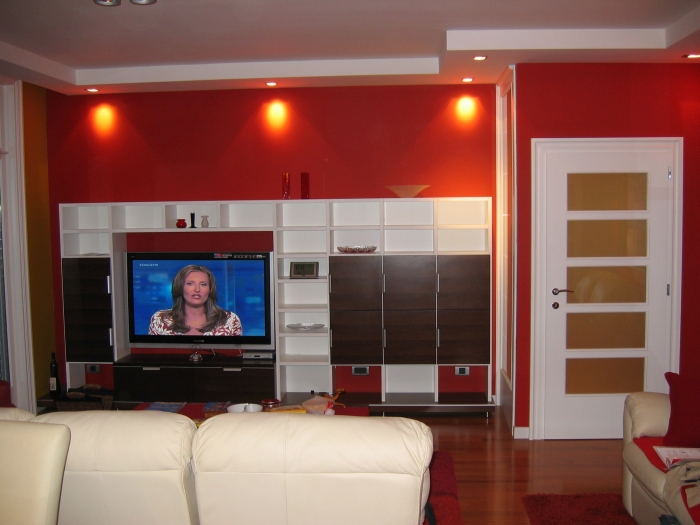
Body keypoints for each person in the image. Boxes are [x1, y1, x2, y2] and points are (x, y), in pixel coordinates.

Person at [148, 264, 242, 336]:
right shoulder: (160, 319)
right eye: (190, 283)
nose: (197, 289)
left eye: (203, 284)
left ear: (210, 289)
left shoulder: (229, 320)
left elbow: (236, 354)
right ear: (180, 287)